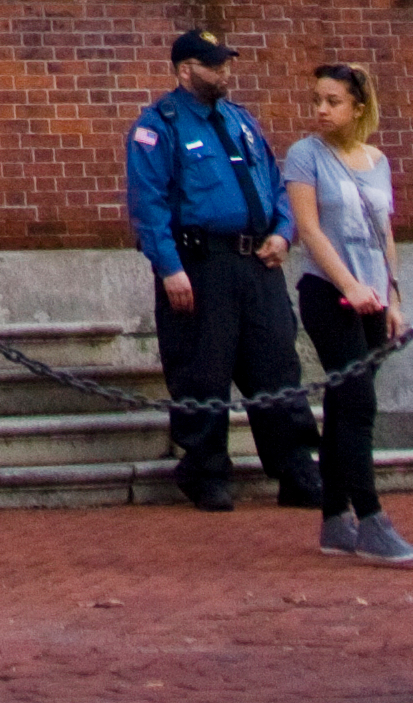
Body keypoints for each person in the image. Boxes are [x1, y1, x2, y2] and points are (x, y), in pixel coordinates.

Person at [128, 26, 317, 516]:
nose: (224, 72)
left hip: (257, 261)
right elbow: (149, 204)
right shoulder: (159, 126)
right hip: (200, 263)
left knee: (276, 364)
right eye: (214, 65)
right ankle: (206, 472)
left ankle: (296, 469)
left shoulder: (240, 120)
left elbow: (274, 183)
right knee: (202, 371)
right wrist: (169, 267)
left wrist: (284, 232)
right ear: (185, 71)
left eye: (226, 63)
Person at [288, 60, 413, 565]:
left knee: (345, 406)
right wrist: (348, 284)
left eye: (333, 101)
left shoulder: (377, 160)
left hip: (373, 297)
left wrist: (392, 297)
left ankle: (333, 519)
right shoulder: (305, 156)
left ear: (359, 107)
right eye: (317, 101)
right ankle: (370, 519)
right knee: (359, 403)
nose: (322, 110)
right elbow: (310, 230)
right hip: (329, 293)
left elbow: (384, 233)